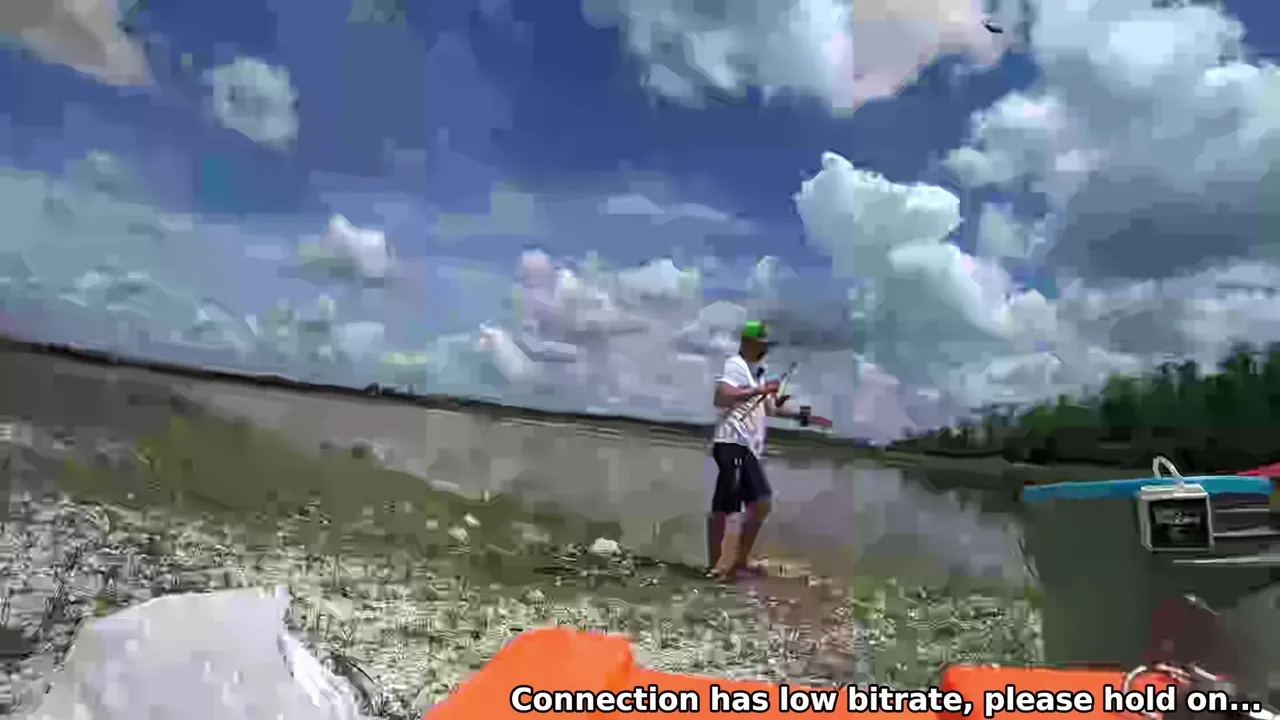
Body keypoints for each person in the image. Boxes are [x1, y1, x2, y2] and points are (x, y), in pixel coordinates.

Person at [707, 320, 808, 580]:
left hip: (746, 448)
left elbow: (770, 408)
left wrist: (799, 413)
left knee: (758, 504)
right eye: (761, 345)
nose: (765, 350)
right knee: (733, 505)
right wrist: (759, 390)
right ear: (747, 343)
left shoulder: (758, 373)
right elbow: (721, 396)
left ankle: (736, 562)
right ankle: (718, 566)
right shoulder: (735, 365)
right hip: (731, 442)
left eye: (767, 346)